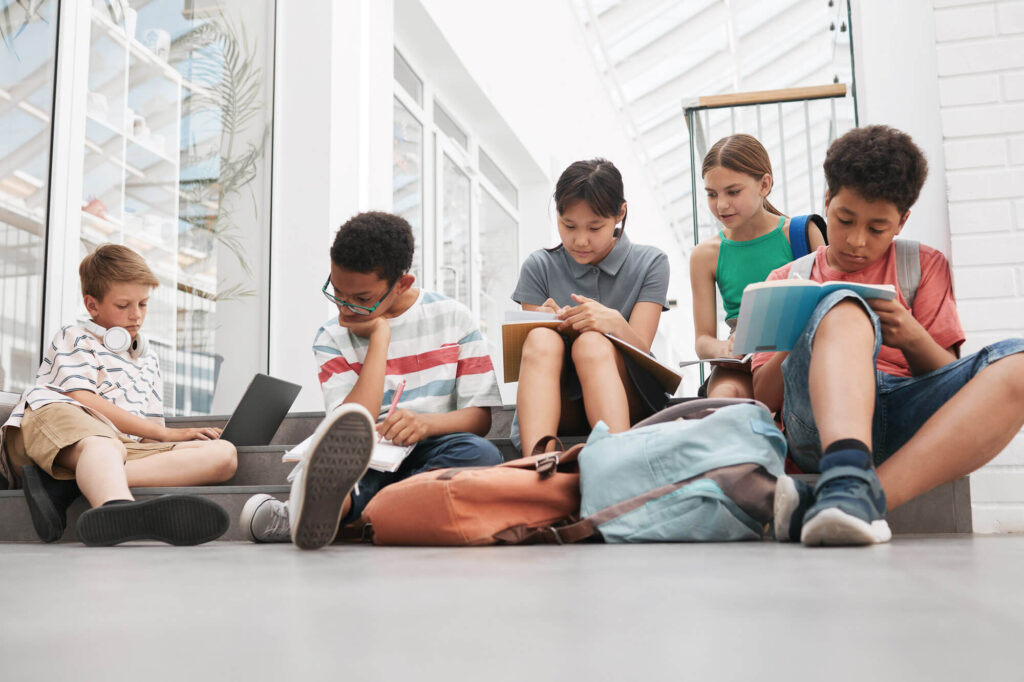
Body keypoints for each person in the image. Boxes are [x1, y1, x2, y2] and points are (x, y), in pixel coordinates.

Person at [753, 125, 1024, 546]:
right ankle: (847, 480)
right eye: (844, 220)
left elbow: (949, 380)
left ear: (902, 221)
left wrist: (912, 337)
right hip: (816, 420)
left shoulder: (924, 265)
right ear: (827, 200)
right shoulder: (787, 278)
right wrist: (801, 334)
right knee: (843, 307)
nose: (856, 241)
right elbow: (763, 398)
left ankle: (854, 497)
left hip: (906, 413)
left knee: (1019, 362)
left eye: (877, 228)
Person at [240, 211, 503, 550]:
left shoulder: (454, 318)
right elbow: (351, 421)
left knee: (482, 455)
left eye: (362, 299)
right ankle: (354, 511)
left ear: (402, 284)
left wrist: (426, 424)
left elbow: (480, 418)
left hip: (435, 447)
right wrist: (380, 336)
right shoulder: (331, 337)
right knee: (342, 469)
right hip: (365, 456)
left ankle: (331, 516)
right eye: (337, 292)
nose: (345, 308)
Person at [0, 244, 236, 546]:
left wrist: (174, 442)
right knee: (103, 443)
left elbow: (148, 435)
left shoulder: (148, 360)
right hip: (53, 424)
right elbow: (83, 398)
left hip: (116, 447)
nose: (136, 315)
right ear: (92, 305)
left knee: (224, 455)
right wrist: (166, 434)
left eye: (143, 304)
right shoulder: (75, 337)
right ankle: (116, 506)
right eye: (123, 306)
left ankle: (71, 482)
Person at [512, 158, 670, 457]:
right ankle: (538, 462)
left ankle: (614, 462)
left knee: (591, 343)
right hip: (560, 404)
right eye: (568, 225)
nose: (580, 240)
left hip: (631, 399)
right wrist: (546, 324)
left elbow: (643, 353)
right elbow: (530, 357)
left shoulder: (651, 262)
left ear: (620, 213)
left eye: (595, 227)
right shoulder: (539, 266)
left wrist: (612, 322)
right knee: (540, 337)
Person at [689, 134, 826, 399]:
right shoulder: (704, 255)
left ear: (764, 184)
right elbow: (702, 341)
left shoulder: (801, 233)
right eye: (712, 194)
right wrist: (725, 349)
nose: (721, 205)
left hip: (798, 352)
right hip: (742, 363)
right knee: (725, 396)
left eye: (733, 192)